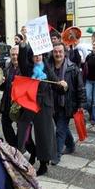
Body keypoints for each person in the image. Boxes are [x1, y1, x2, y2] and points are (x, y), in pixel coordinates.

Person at [17, 38, 57, 176]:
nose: (37, 57)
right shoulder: (28, 69)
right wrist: (23, 45)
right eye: (35, 55)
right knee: (23, 131)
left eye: (39, 55)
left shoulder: (47, 69)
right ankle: (29, 152)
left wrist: (63, 85)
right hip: (29, 104)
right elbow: (21, 61)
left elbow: (57, 84)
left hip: (44, 106)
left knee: (44, 135)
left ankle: (44, 163)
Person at [47, 41, 86, 164]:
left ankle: (56, 155)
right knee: (62, 128)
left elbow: (80, 87)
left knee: (59, 130)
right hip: (52, 104)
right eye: (55, 52)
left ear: (65, 53)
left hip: (67, 104)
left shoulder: (72, 68)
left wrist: (81, 104)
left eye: (60, 52)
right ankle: (70, 145)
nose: (58, 54)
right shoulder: (48, 67)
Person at [0, 46, 20, 147]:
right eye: (13, 55)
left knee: (23, 130)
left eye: (17, 55)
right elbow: (2, 88)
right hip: (7, 102)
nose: (15, 57)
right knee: (5, 125)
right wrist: (0, 82)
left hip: (19, 104)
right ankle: (14, 146)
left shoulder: (25, 68)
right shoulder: (7, 68)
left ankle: (29, 150)